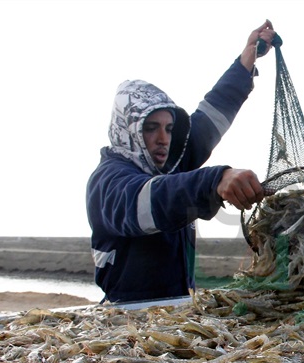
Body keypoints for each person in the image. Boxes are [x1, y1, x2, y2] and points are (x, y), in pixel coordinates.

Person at [86, 21, 276, 303]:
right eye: (151, 128)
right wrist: (215, 179)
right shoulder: (108, 181)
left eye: (169, 128)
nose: (163, 138)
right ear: (128, 129)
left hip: (177, 305)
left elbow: (212, 116)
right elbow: (151, 200)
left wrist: (246, 60)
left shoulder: (172, 165)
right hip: (127, 311)